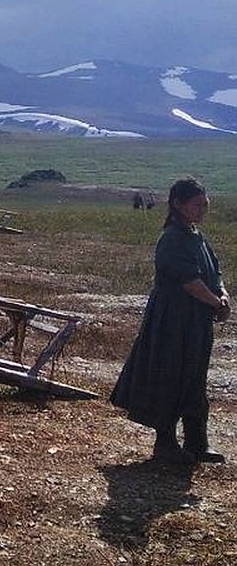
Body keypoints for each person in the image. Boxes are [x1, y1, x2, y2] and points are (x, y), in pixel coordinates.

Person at [111, 177, 230, 465]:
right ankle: (165, 444)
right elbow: (188, 280)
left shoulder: (195, 235)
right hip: (172, 319)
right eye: (197, 204)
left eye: (205, 204)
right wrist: (215, 302)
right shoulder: (173, 238)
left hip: (196, 320)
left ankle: (196, 442)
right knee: (170, 374)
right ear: (178, 204)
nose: (202, 210)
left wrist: (223, 294)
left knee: (195, 376)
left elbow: (213, 271)